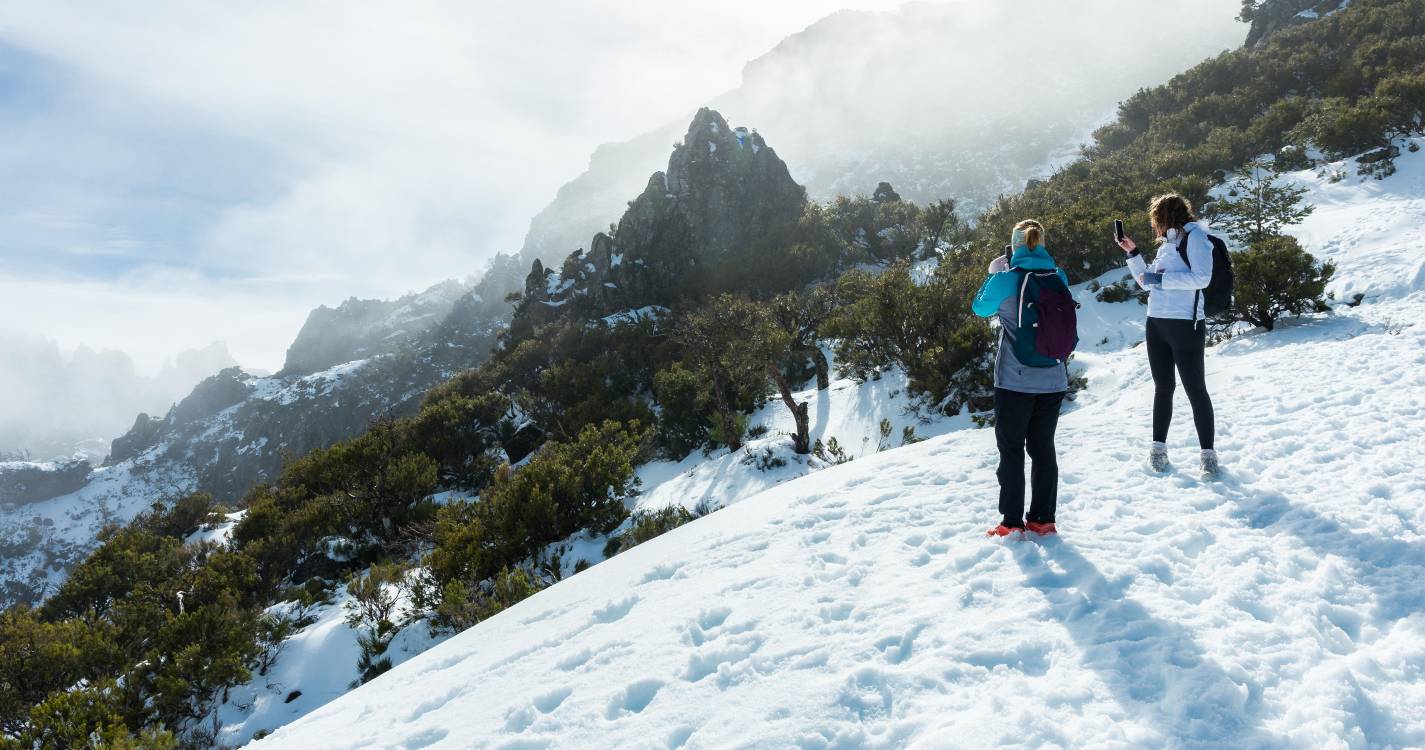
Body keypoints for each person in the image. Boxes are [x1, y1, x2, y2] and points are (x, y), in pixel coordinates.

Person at [972, 219, 1071, 538]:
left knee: (1012, 450)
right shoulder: (1059, 276)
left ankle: (1011, 521)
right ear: (1041, 244)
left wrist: (993, 274)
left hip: (1015, 381)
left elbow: (980, 309)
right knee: (1043, 448)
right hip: (1054, 379)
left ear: (1014, 247)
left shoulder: (1006, 279)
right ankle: (1043, 520)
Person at [1115, 193, 1220, 479]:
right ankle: (1158, 450)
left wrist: (1162, 280)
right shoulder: (1167, 244)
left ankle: (1208, 457)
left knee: (1195, 389)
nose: (1155, 225)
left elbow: (1202, 278)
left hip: (1186, 322)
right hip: (1157, 322)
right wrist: (1133, 254)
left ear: (1163, 216)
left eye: (1155, 219)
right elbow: (1147, 282)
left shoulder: (1196, 238)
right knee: (1163, 388)